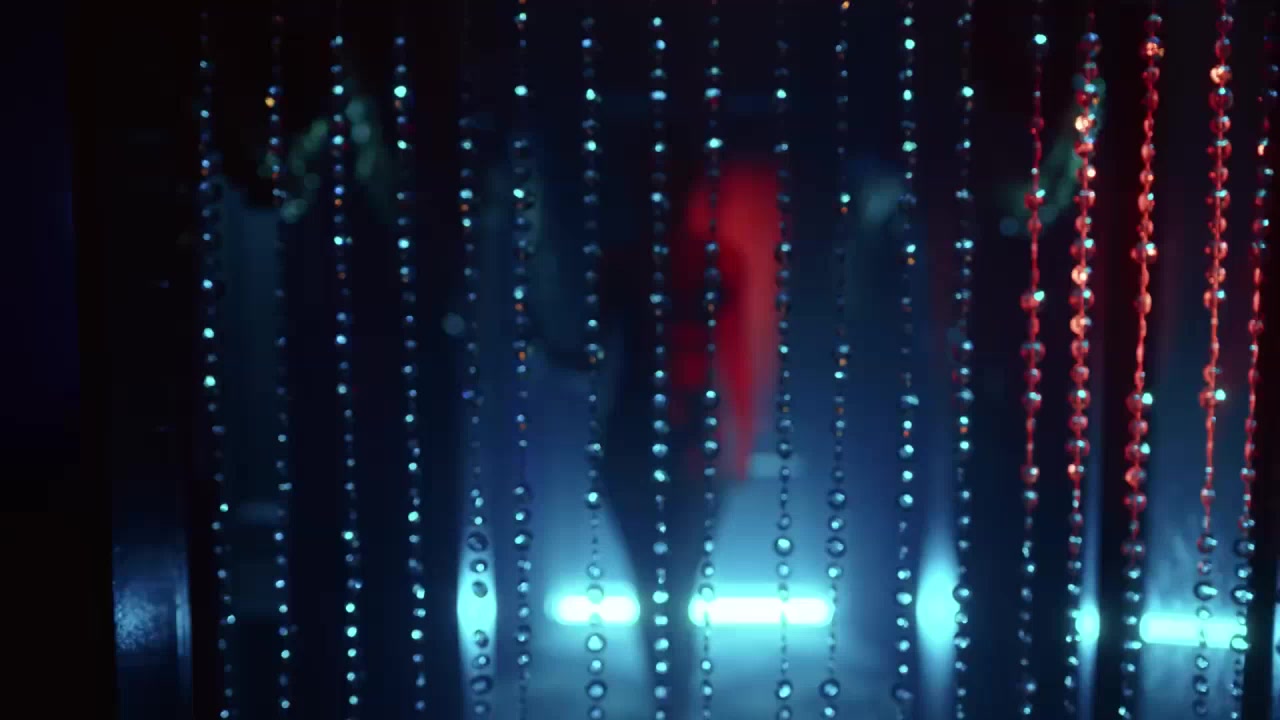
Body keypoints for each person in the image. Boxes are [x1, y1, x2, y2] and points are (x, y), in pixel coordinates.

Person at [533, 150, 780, 717]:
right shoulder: (698, 265)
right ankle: (672, 696)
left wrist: (544, 343)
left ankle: (668, 696)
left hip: (654, 439)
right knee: (670, 581)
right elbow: (733, 362)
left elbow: (592, 357)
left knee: (660, 580)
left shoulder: (663, 265)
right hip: (675, 440)